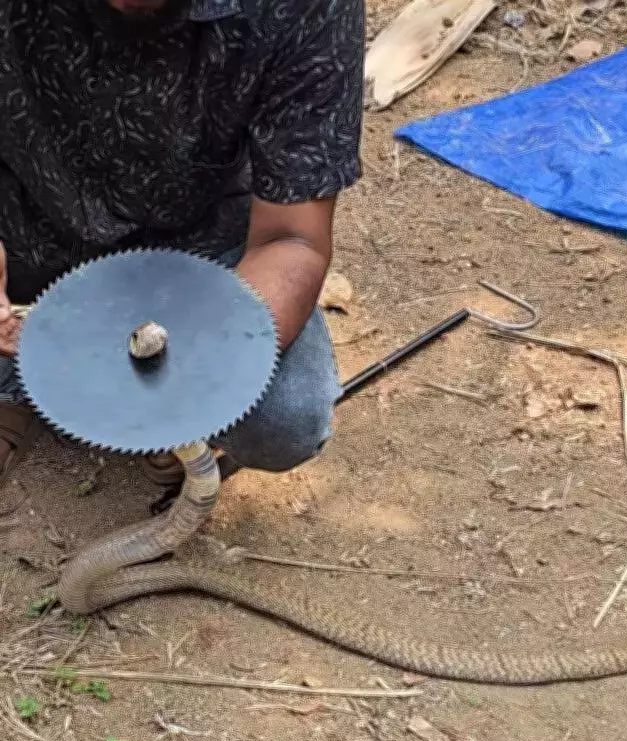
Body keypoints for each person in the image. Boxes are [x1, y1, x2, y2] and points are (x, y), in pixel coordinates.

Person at [0, 0, 364, 489]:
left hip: (202, 248)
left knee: (281, 418)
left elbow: (291, 237)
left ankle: (175, 427)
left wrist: (193, 373)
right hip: (26, 227)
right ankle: (11, 385)